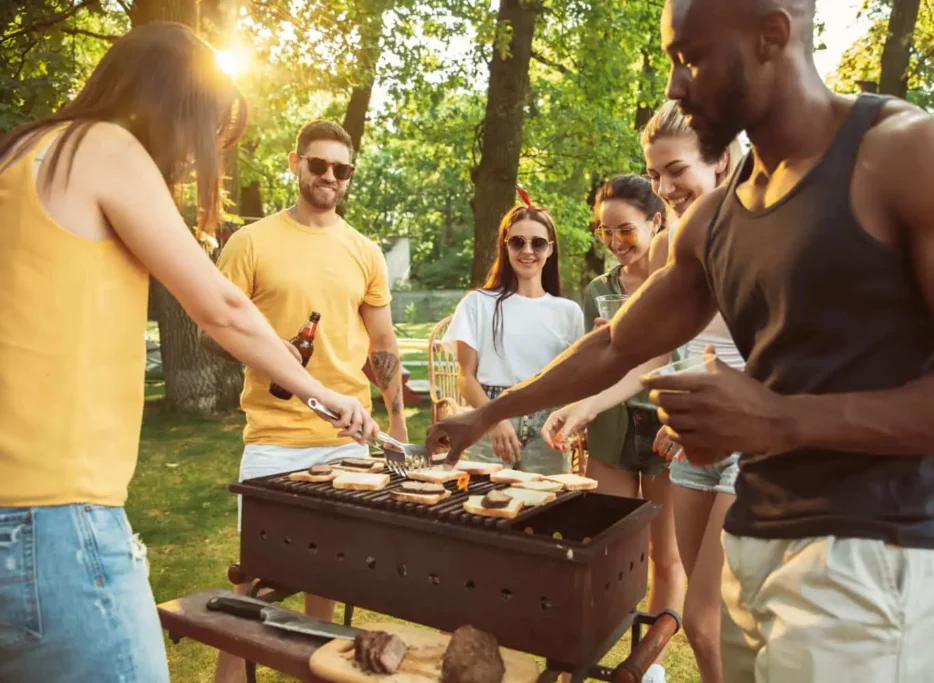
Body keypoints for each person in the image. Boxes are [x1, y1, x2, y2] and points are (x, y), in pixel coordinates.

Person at [427, 0, 934, 681]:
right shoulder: (712, 218)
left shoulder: (909, 155)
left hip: (878, 557)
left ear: (772, 34)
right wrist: (490, 411)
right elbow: (617, 343)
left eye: (691, 60)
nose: (676, 87)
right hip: (757, 546)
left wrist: (782, 418)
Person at [0, 23, 377, 683]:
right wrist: (328, 395)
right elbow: (223, 308)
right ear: (176, 106)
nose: (193, 158)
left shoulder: (21, 153)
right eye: (207, 133)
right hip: (52, 518)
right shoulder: (105, 147)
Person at [543, 103, 744, 683]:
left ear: (722, 160)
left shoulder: (762, 234)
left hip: (745, 443)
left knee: (707, 620)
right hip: (692, 450)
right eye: (654, 175)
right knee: (709, 625)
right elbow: (649, 351)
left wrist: (710, 395)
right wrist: (589, 404)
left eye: (674, 171)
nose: (664, 188)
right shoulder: (677, 244)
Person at [206, 119, 406, 682]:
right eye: (318, 164)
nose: (329, 177)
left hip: (348, 446)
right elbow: (212, 329)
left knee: (333, 581)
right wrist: (266, 355)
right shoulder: (250, 241)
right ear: (295, 163)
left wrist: (395, 419)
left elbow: (383, 348)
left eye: (341, 169)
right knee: (250, 579)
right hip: (273, 441)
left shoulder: (364, 251)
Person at [541, 174, 683, 683]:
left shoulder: (678, 279)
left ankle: (649, 665)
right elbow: (591, 365)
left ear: (656, 222)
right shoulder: (599, 290)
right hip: (612, 427)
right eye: (605, 233)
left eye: (625, 231)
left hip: (668, 425)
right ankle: (598, 650)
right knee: (611, 547)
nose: (615, 243)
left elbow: (679, 354)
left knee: (665, 555)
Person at [443, 189, 584, 474]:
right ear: (505, 247)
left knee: (547, 511)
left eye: (538, 243)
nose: (527, 251)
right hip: (490, 418)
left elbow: (576, 380)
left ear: (551, 248)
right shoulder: (478, 303)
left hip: (548, 426)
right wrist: (493, 419)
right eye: (517, 242)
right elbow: (466, 377)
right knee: (484, 511)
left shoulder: (569, 312)